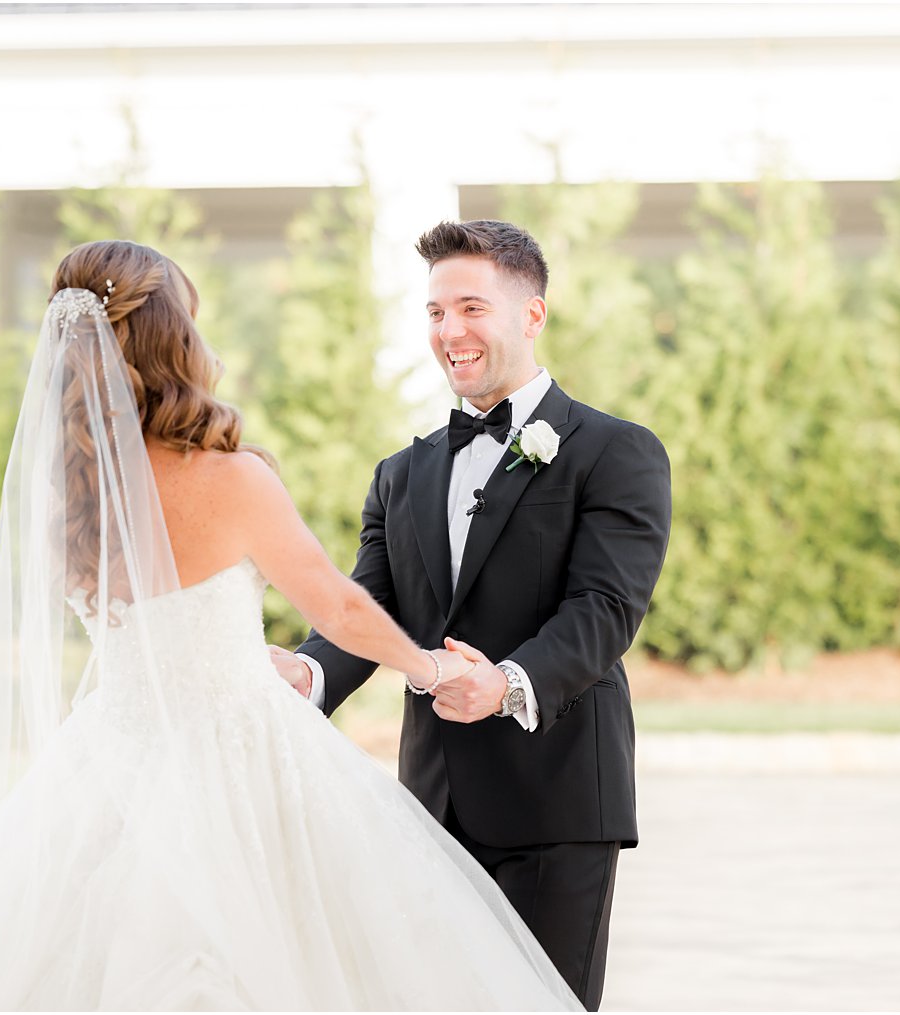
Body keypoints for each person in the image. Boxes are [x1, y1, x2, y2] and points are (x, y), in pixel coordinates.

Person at [0, 239, 582, 1011]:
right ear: (175, 338)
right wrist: (433, 669)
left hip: (110, 757)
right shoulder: (231, 478)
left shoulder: (68, 502)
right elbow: (337, 607)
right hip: (244, 758)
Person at [272, 219, 672, 1011]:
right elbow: (372, 607)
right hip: (431, 805)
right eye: (433, 312)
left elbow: (605, 607)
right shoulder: (400, 474)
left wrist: (507, 682)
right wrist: (309, 668)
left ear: (532, 314)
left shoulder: (615, 451)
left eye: (470, 308)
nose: (449, 331)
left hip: (557, 801)